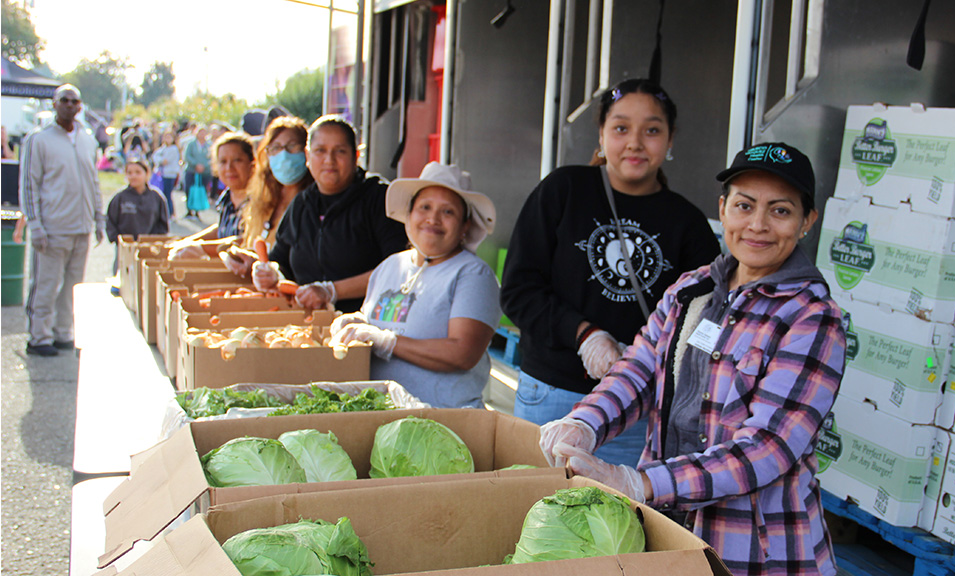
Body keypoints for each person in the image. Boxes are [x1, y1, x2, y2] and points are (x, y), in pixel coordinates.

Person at [539, 142, 846, 576]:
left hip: (756, 555)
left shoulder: (813, 318)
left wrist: (640, 483)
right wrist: (585, 422)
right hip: (667, 537)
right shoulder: (692, 289)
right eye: (744, 205)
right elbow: (640, 369)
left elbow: (767, 448)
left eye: (780, 211)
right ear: (723, 209)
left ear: (806, 222)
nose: (758, 225)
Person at [500, 78, 721, 466]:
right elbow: (519, 290)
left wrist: (644, 363)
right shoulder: (563, 190)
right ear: (601, 135)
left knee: (620, 520)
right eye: (621, 128)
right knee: (537, 515)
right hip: (552, 397)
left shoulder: (688, 223)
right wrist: (584, 335)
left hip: (636, 410)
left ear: (670, 142)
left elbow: (702, 321)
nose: (635, 142)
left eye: (652, 130)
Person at [329, 162, 500, 408]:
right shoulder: (390, 266)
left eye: (448, 212)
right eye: (425, 207)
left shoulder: (473, 274)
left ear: (465, 226)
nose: (433, 218)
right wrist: (354, 322)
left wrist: (388, 341)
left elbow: (463, 353)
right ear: (408, 215)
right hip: (381, 413)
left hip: (442, 419)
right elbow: (376, 322)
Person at [252, 115, 409, 313]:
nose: (329, 160)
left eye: (340, 151)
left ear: (356, 155)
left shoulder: (380, 199)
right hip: (308, 324)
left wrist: (332, 291)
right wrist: (269, 272)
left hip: (367, 324)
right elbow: (280, 261)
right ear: (307, 157)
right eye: (320, 151)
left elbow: (400, 267)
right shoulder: (301, 204)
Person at [18, 84, 104, 357]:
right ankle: (39, 336)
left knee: (72, 285)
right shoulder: (38, 139)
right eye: (63, 100)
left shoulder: (87, 139)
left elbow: (93, 181)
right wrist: (35, 224)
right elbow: (29, 185)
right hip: (53, 227)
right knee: (45, 283)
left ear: (80, 107)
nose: (69, 105)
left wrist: (98, 219)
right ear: (54, 104)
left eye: (74, 101)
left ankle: (63, 332)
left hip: (81, 227)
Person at [167, 132, 255, 265]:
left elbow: (245, 240)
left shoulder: (259, 202)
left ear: (252, 164)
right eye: (223, 162)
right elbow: (221, 229)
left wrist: (201, 248)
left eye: (237, 160)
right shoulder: (226, 198)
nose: (229, 168)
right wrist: (187, 242)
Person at [240, 116, 315, 247]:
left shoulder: (314, 204)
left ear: (307, 151)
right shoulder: (263, 202)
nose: (284, 155)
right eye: (276, 148)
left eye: (292, 146)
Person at [105, 159, 169, 274]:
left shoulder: (156, 197)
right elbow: (110, 221)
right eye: (129, 173)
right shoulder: (120, 198)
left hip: (149, 248)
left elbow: (163, 225)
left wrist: (154, 241)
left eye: (137, 172)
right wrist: (119, 240)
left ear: (147, 174)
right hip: (125, 248)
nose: (133, 176)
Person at [151, 130, 181, 218]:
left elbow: (165, 161)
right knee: (161, 194)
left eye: (169, 137)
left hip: (169, 174)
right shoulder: (162, 149)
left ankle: (170, 213)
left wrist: (159, 160)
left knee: (167, 194)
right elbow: (154, 157)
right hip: (161, 174)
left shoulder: (174, 149)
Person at [182, 126, 210, 219]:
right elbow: (187, 156)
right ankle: (189, 210)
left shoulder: (208, 145)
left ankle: (197, 210)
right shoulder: (191, 144)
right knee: (189, 189)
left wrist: (203, 166)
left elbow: (211, 157)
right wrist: (196, 164)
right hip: (191, 170)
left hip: (204, 172)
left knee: (201, 190)